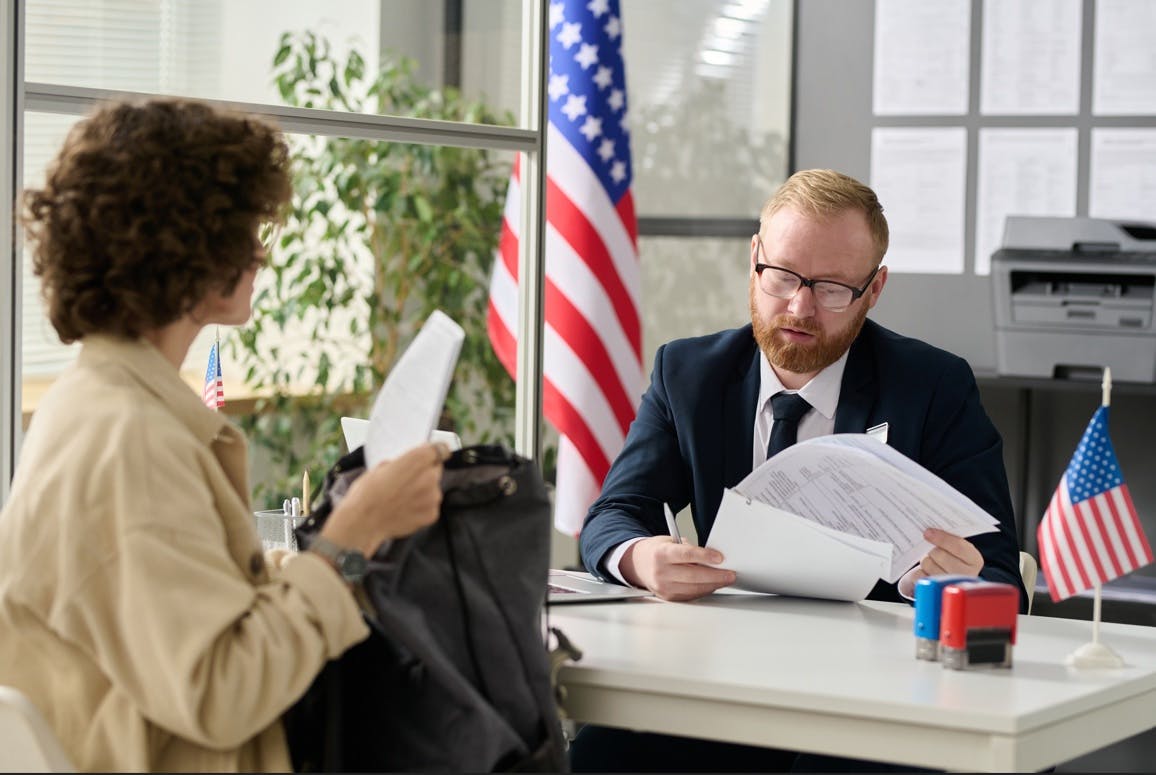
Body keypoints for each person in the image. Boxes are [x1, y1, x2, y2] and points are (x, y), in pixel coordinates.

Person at [0, 98, 448, 772]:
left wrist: (319, 553)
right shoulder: (130, 440)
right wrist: (350, 537)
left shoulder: (100, 402)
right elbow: (222, 689)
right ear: (187, 247)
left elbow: (171, 608)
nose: (260, 254)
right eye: (244, 229)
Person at [571, 169, 1024, 772]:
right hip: (719, 678)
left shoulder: (933, 388)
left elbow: (997, 573)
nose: (800, 307)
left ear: (875, 288)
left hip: (873, 696)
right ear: (755, 259)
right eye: (782, 277)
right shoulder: (689, 374)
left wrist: (939, 584)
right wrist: (640, 559)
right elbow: (610, 517)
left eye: (834, 287)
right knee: (603, 751)